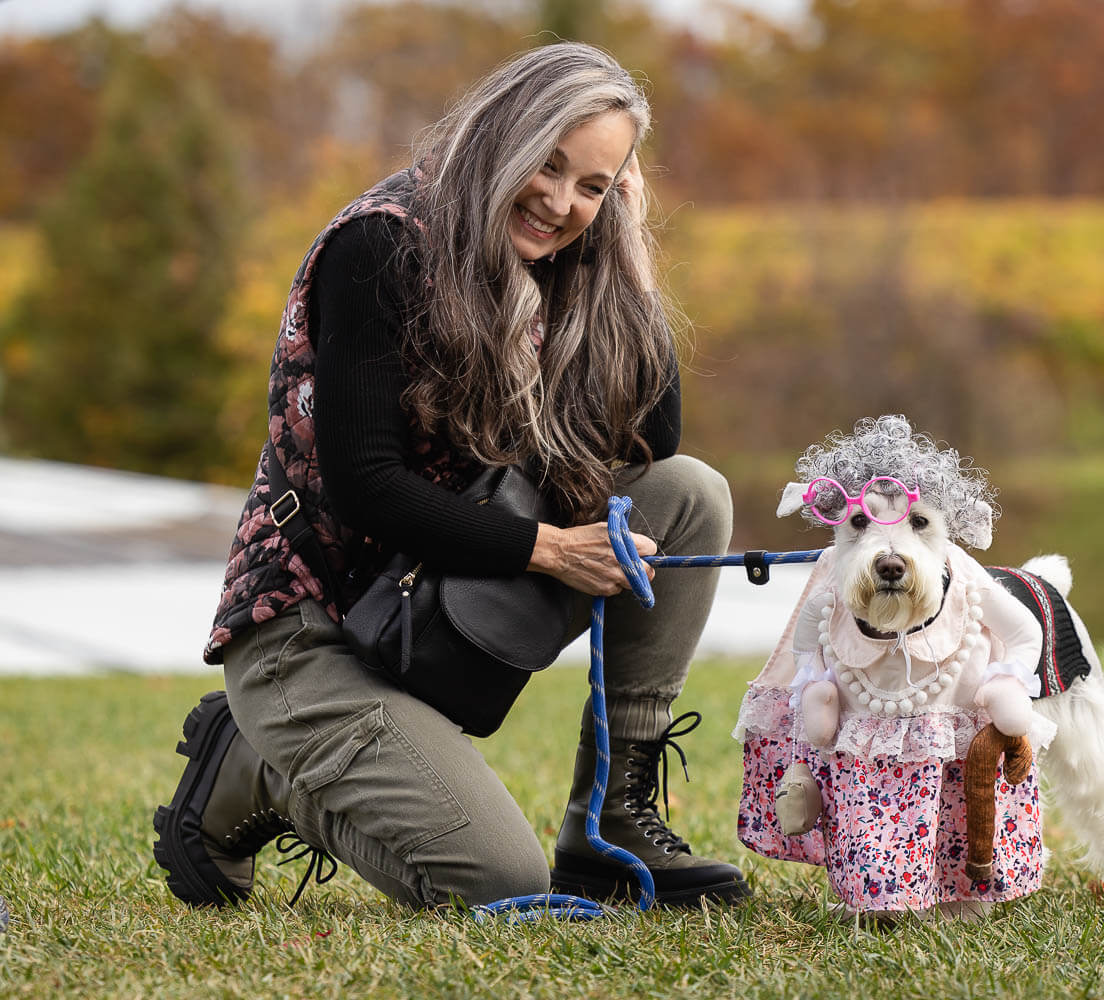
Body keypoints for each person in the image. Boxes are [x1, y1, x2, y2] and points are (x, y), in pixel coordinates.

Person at [151, 42, 747, 911]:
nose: (560, 203)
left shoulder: (564, 260)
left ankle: (610, 823)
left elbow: (649, 446)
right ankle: (256, 764)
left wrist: (626, 258)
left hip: (429, 606)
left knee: (688, 495)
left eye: (593, 186)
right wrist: (550, 550)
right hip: (314, 631)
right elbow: (368, 486)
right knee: (501, 883)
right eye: (549, 164)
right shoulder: (381, 243)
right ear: (503, 133)